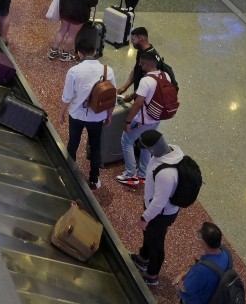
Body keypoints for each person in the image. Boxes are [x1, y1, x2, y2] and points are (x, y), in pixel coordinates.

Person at [60, 30, 117, 189]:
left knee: (73, 143)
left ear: (79, 53)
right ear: (94, 52)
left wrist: (61, 113)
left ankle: (68, 174)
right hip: (97, 116)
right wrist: (109, 115)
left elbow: (67, 97)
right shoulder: (108, 70)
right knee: (95, 145)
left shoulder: (74, 71)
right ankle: (93, 179)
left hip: (77, 114)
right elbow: (111, 97)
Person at [132, 130, 187, 286]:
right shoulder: (170, 150)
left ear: (153, 149)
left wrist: (145, 217)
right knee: (149, 236)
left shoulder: (166, 174)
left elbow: (159, 202)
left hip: (160, 214)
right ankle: (144, 257)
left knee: (156, 242)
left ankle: (152, 274)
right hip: (155, 209)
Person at [117, 48, 171, 188]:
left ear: (146, 65)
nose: (140, 67)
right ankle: (143, 174)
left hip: (143, 120)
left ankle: (130, 175)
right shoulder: (165, 76)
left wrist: (128, 121)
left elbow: (138, 103)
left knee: (126, 141)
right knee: (145, 144)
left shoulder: (146, 80)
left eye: (141, 64)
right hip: (156, 118)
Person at [176, 223, 237, 304]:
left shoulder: (201, 270)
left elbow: (185, 289)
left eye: (198, 234)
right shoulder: (226, 253)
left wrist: (179, 280)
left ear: (203, 242)